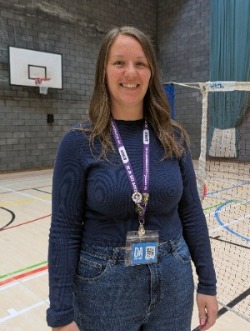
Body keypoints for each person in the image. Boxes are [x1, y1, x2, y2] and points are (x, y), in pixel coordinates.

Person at [46, 26, 218, 331]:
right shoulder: (77, 143)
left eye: (140, 63)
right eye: (119, 62)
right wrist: (60, 314)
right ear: (103, 71)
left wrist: (208, 282)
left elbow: (191, 213)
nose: (131, 72)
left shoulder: (173, 136)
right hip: (104, 285)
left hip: (174, 276)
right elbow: (64, 230)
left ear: (151, 73)